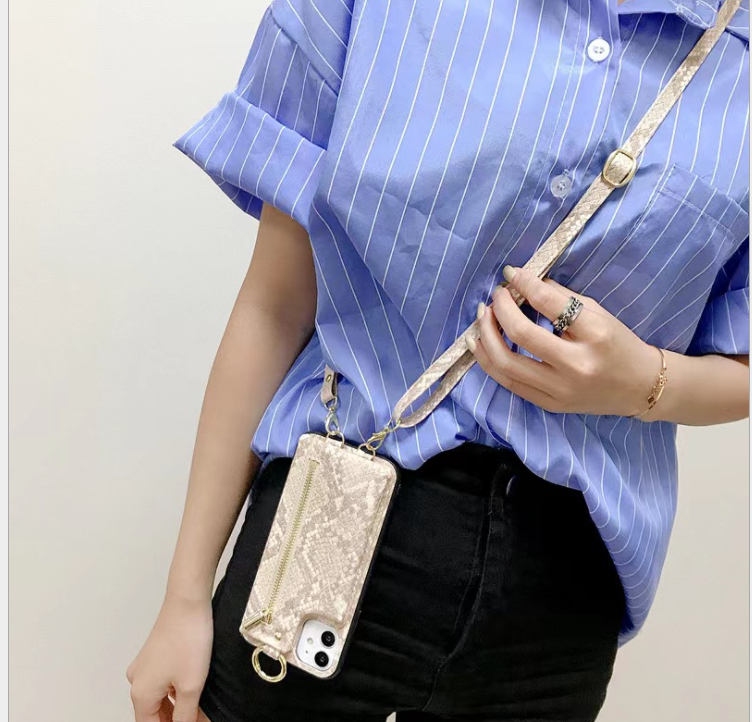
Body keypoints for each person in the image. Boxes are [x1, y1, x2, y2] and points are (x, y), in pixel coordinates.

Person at [127, 0, 750, 720]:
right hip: (331, 516)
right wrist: (184, 597)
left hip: (558, 599)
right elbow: (276, 303)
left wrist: (646, 383)